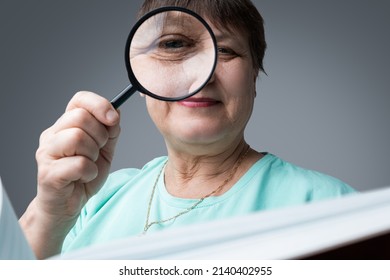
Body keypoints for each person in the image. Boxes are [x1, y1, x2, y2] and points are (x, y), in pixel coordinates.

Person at [19, 0, 355, 259]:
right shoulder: (94, 200)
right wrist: (48, 215)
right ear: (141, 77)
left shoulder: (331, 208)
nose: (200, 76)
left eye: (224, 51)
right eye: (174, 46)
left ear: (254, 77)